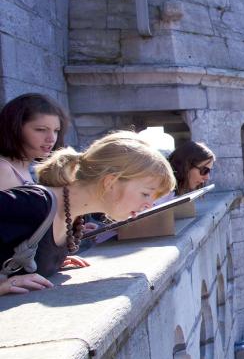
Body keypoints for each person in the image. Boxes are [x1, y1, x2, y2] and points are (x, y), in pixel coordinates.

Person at [0, 131, 174, 296]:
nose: (149, 205)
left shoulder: (74, 214)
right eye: (146, 193)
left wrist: (50, 261)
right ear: (110, 182)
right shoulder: (34, 203)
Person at [0, 93, 69, 190]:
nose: (52, 139)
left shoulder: (25, 168)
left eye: (56, 131)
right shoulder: (3, 169)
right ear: (14, 128)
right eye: (41, 129)